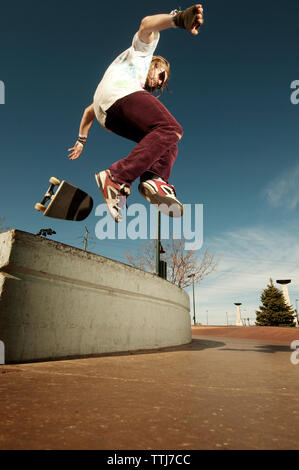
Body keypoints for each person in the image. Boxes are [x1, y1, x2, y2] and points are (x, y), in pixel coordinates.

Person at [68, 5, 204, 222]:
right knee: (171, 128)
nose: (160, 81)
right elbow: (146, 24)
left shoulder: (129, 81)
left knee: (167, 142)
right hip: (119, 94)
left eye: (163, 81)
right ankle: (117, 176)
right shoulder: (143, 53)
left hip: (109, 114)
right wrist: (177, 19)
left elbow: (88, 112)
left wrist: (81, 140)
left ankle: (153, 179)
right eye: (161, 74)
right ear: (155, 64)